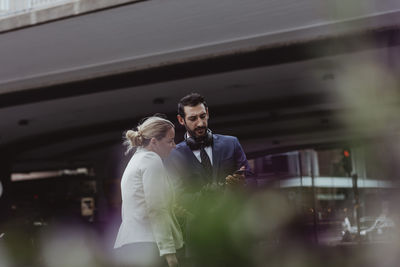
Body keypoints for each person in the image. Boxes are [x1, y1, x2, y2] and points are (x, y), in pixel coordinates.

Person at [166, 93, 251, 266]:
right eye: (193, 118)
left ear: (208, 113)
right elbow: (178, 197)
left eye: (203, 116)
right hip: (198, 239)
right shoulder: (172, 156)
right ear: (181, 120)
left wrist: (241, 185)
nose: (200, 123)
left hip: (238, 234)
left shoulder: (231, 143)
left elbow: (250, 181)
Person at [114, 116, 184, 267]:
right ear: (154, 141)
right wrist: (169, 252)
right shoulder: (151, 160)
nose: (174, 145)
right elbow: (156, 208)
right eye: (170, 141)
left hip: (132, 243)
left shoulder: (136, 159)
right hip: (149, 245)